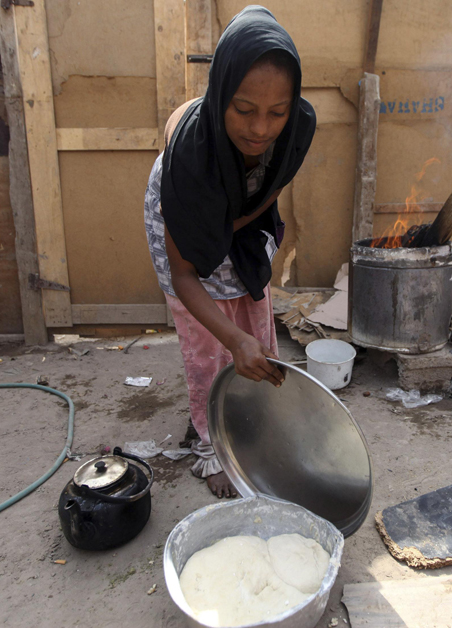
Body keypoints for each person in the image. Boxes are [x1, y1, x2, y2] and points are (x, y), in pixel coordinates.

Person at [144, 6, 316, 498]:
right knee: (209, 345)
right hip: (188, 219)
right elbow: (185, 275)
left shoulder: (297, 128)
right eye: (243, 109)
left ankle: (250, 421)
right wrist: (231, 339)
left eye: (276, 112)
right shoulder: (190, 165)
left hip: (240, 215)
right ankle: (212, 445)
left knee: (252, 319)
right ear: (220, 95)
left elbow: (272, 186)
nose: (261, 129)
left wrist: (234, 225)